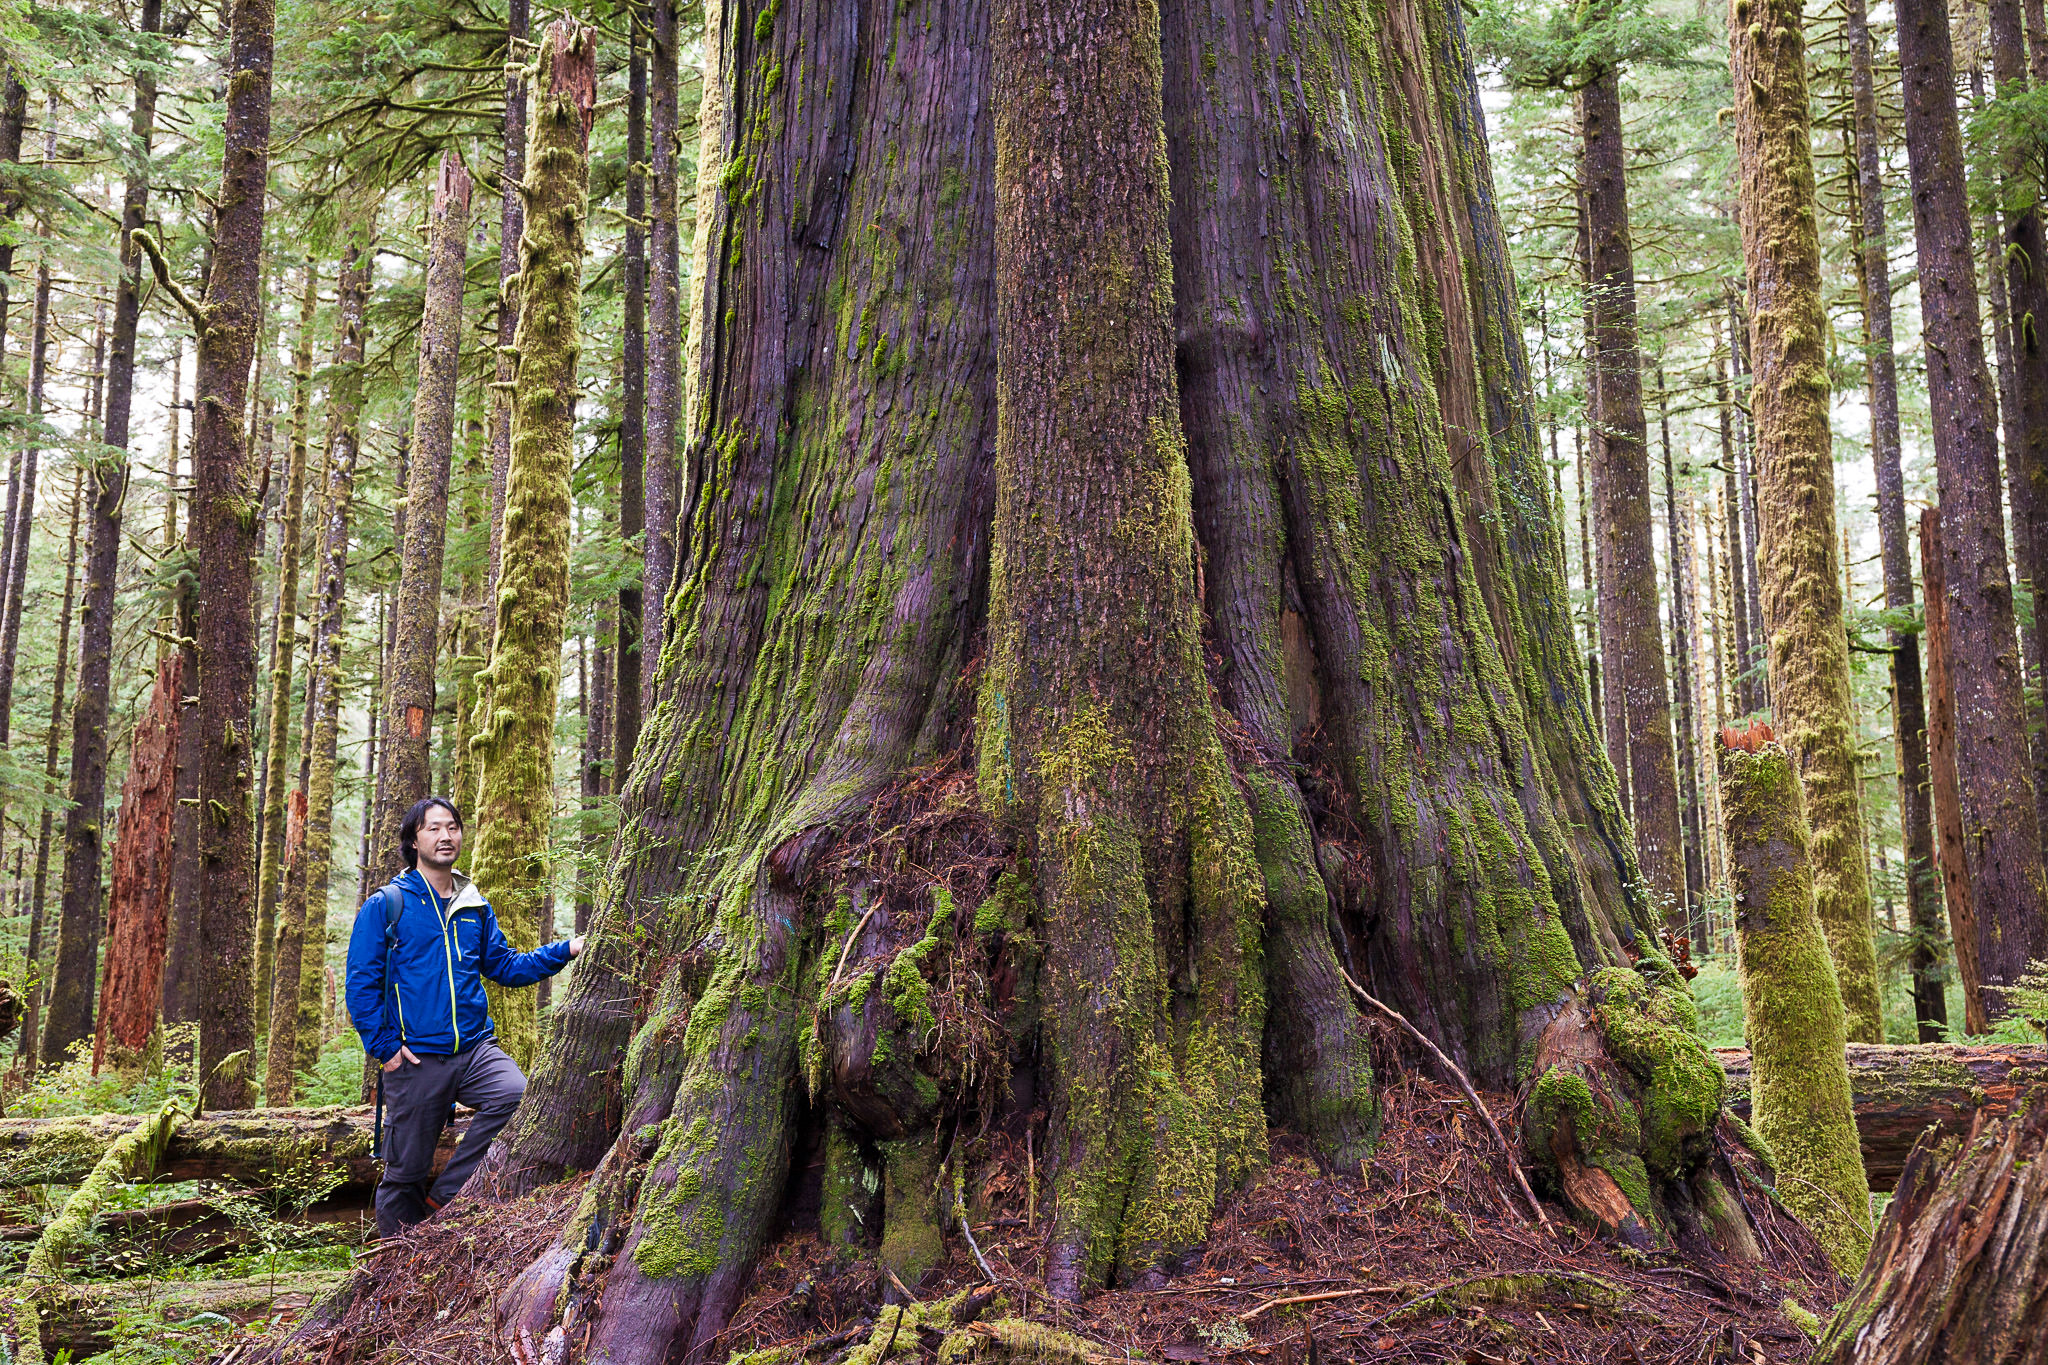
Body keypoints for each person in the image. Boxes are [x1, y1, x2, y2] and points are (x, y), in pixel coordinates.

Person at [345, 796, 584, 1236]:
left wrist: (565, 950)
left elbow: (506, 967)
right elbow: (360, 984)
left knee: (516, 1097)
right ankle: (394, 1268)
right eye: (433, 828)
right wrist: (386, 1049)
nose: (445, 836)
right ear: (414, 840)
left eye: (452, 827)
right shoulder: (388, 905)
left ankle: (446, 1199)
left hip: (475, 1049)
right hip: (416, 1057)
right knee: (404, 1173)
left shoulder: (474, 905)